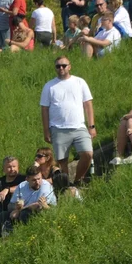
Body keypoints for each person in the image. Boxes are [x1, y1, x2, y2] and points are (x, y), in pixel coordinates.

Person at [40, 56, 95, 185]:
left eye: (64, 65)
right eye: (58, 66)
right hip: (58, 128)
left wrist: (91, 126)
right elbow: (44, 109)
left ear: (69, 66)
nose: (61, 68)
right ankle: (66, 187)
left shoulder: (80, 82)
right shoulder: (49, 86)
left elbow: (88, 104)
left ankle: (77, 180)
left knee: (87, 154)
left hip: (79, 127)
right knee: (62, 161)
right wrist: (46, 130)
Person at [4, 165, 57, 231]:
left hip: (44, 211)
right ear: (27, 179)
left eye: (39, 179)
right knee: (2, 215)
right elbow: (10, 205)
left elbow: (38, 205)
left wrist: (20, 210)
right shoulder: (22, 186)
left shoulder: (45, 186)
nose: (37, 182)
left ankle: (24, 233)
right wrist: (16, 207)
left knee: (25, 214)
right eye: (34, 180)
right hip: (24, 211)